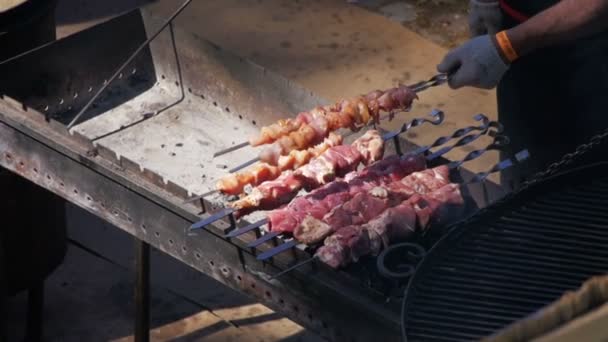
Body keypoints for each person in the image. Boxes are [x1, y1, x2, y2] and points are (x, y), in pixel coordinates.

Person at [437, 0, 608, 189]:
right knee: (522, 168)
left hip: (591, 48)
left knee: (587, 179)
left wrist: (507, 46)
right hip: (516, 38)